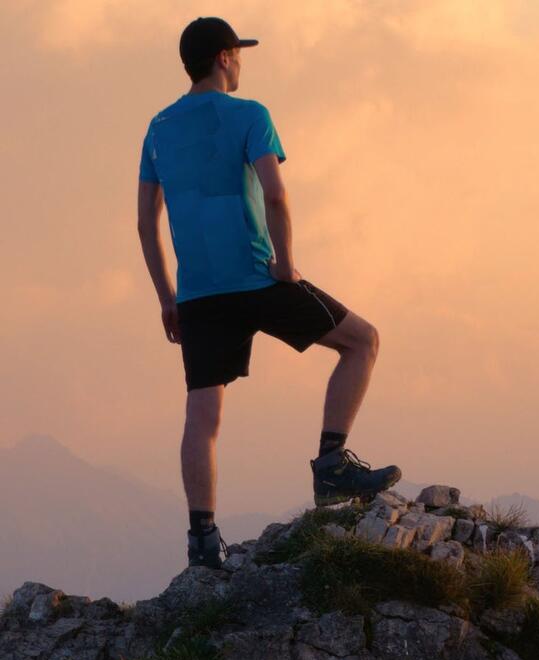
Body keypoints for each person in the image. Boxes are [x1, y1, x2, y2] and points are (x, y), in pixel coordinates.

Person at [136, 17, 402, 570]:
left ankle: (203, 541)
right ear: (225, 58)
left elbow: (146, 224)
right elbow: (276, 196)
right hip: (259, 279)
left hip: (199, 294)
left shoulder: (158, 128)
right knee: (362, 342)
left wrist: (167, 297)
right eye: (239, 53)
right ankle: (331, 464)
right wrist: (285, 263)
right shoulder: (249, 115)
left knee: (202, 416)